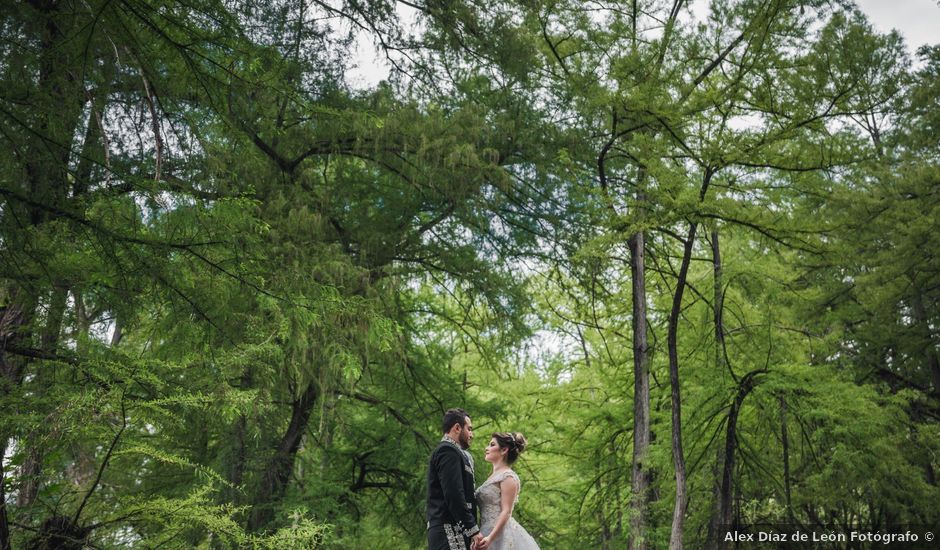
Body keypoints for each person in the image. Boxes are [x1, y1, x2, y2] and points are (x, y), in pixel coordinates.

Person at [427, 408, 488, 550]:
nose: (472, 435)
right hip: (447, 530)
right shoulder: (447, 451)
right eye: (469, 429)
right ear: (457, 428)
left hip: (458, 531)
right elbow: (454, 494)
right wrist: (473, 529)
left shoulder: (457, 454)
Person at [474, 432, 540, 550]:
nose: (487, 448)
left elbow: (506, 512)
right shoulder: (492, 476)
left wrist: (490, 538)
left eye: (492, 445)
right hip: (484, 531)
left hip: (499, 534)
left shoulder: (508, 477)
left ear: (504, 450)